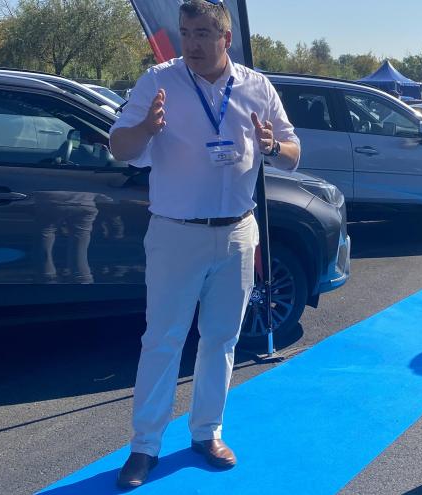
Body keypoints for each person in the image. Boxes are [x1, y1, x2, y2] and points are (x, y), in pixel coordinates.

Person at [108, 0, 300, 489]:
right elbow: (119, 148)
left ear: (225, 39)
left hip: (238, 231)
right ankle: (144, 447)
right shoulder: (158, 82)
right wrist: (146, 129)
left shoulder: (257, 87)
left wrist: (272, 146)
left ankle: (206, 433)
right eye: (186, 32)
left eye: (201, 34)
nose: (191, 43)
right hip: (175, 232)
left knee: (221, 339)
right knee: (163, 341)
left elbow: (294, 154)